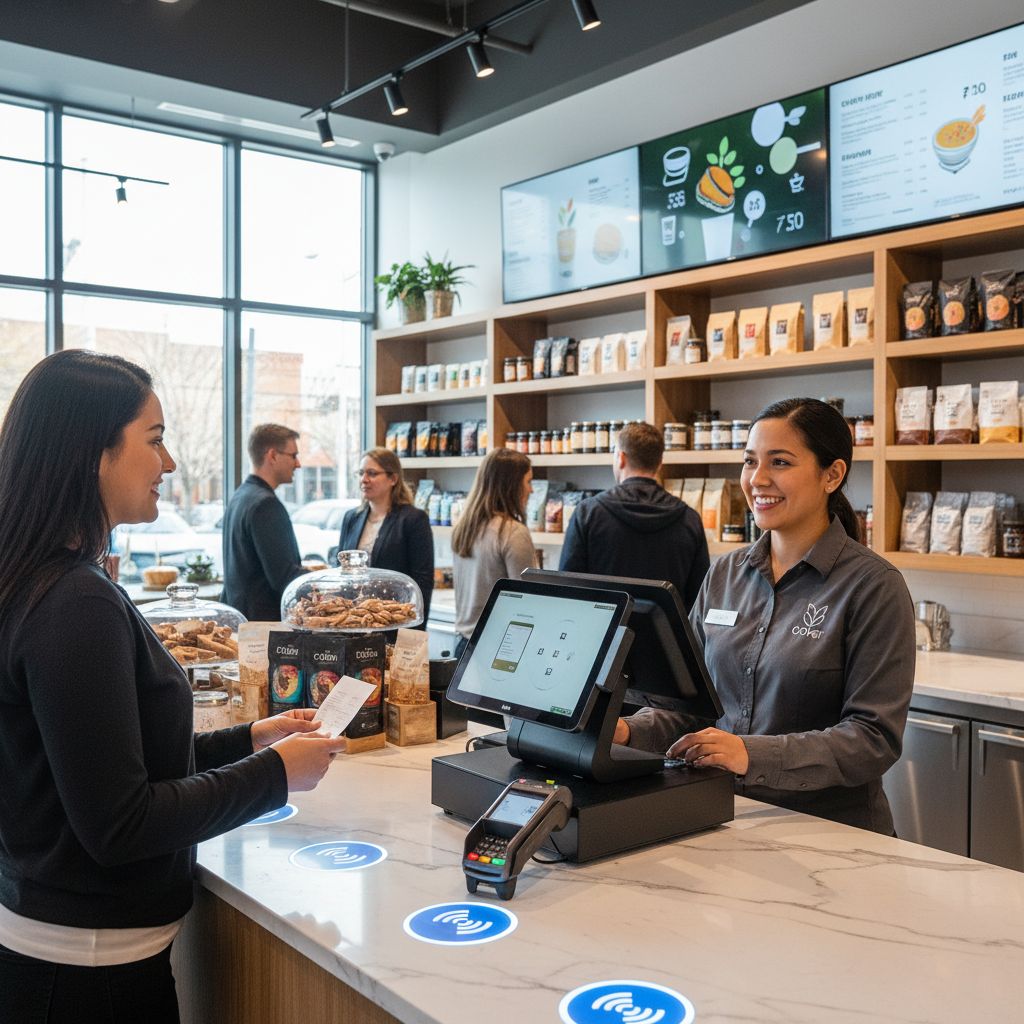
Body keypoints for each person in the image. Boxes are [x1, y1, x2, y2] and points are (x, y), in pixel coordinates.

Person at [0, 350, 345, 1023]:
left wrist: (250, 739)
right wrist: (273, 775)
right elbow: (121, 824)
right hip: (85, 978)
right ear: (91, 453)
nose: (172, 465)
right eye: (155, 441)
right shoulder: (74, 601)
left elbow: (105, 762)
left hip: (71, 956)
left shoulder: (45, 580)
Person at [617, 398, 916, 834]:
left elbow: (873, 739)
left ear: (832, 475)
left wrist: (750, 754)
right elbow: (692, 710)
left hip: (832, 836)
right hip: (720, 820)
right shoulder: (724, 574)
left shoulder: (873, 587)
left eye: (780, 462)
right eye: (750, 461)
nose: (757, 479)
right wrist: (625, 732)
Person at [559, 420, 709, 610]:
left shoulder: (588, 513)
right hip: (667, 639)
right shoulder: (689, 519)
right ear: (660, 463)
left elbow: (566, 590)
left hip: (604, 636)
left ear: (620, 458)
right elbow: (700, 598)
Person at [451, 448, 536, 658]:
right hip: (496, 647)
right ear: (512, 486)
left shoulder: (464, 527)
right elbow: (529, 599)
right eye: (528, 482)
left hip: (463, 643)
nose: (531, 490)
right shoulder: (512, 532)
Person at [338, 447, 434, 622]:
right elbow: (341, 570)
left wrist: (414, 624)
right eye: (361, 473)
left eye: (372, 473)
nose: (363, 480)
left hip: (394, 620)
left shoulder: (413, 519)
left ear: (393, 479)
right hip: (354, 620)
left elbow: (423, 580)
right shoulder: (351, 517)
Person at [222, 423, 305, 621]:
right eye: (293, 456)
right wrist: (326, 579)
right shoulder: (265, 504)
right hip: (263, 627)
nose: (298, 464)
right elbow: (283, 578)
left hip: (242, 618)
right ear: (273, 456)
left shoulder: (241, 495)